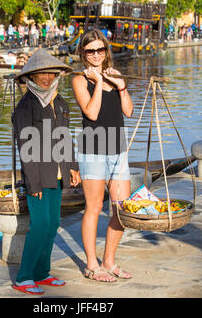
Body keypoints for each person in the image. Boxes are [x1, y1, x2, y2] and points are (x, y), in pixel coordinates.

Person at [11, 49, 81, 295]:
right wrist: (33, 184)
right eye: (41, 73)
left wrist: (73, 167)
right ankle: (24, 277)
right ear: (31, 75)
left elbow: (65, 139)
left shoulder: (59, 102)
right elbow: (25, 149)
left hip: (58, 174)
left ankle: (42, 273)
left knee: (53, 224)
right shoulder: (25, 107)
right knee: (39, 225)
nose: (46, 78)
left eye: (50, 72)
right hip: (38, 176)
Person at [71, 29, 133, 282]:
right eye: (90, 51)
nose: (96, 54)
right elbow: (92, 113)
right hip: (92, 148)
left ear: (106, 51)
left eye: (100, 49)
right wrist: (97, 82)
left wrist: (121, 86)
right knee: (94, 207)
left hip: (118, 148)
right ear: (83, 54)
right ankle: (92, 265)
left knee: (121, 209)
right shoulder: (78, 79)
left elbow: (128, 111)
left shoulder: (114, 74)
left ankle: (109, 261)